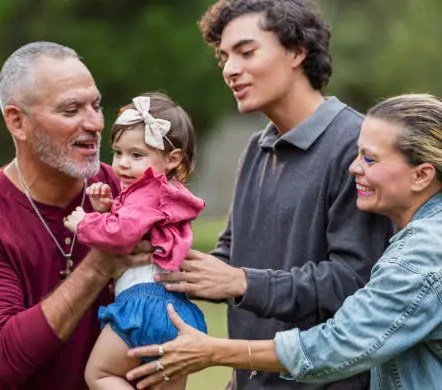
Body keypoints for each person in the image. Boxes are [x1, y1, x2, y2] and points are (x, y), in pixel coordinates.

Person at [147, 1, 393, 389]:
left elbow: (355, 281)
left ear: (298, 52)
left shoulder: (357, 148)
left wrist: (244, 282)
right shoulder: (257, 148)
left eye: (246, 52)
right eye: (224, 57)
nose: (230, 69)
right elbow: (231, 256)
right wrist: (155, 261)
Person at [126, 93, 442, 390]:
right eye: (358, 153)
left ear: (422, 176)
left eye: (370, 160)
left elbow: (337, 345)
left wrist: (213, 351)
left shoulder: (421, 254)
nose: (353, 167)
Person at [0, 41, 150, 390]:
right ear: (17, 122)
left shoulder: (124, 190)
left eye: (95, 105)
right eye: (71, 110)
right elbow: (2, 359)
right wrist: (101, 264)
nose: (96, 123)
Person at [63, 92, 207, 390]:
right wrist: (109, 209)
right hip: (175, 312)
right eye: (118, 153)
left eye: (136, 155)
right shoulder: (166, 193)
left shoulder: (146, 192)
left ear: (172, 159)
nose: (122, 164)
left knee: (100, 375)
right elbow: (137, 229)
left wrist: (85, 222)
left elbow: (122, 235)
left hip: (143, 305)